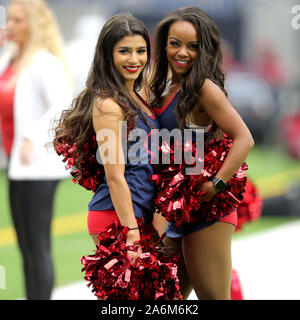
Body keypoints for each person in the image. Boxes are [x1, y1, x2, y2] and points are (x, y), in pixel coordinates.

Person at [150, 7, 254, 300]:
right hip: (174, 210)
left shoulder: (204, 88)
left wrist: (216, 184)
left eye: (192, 46)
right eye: (175, 43)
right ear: (163, 45)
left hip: (206, 210)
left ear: (203, 49)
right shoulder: (164, 87)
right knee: (166, 300)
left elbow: (244, 138)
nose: (182, 52)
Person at [54, 13, 160, 287]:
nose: (134, 59)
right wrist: (132, 233)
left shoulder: (136, 95)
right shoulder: (109, 105)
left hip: (140, 214)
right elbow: (115, 175)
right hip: (118, 219)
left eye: (140, 51)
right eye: (124, 51)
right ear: (108, 54)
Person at [0, 0, 72, 299]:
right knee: (25, 247)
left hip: (38, 166)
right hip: (16, 164)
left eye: (17, 20)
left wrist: (32, 135)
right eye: (9, 19)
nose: (9, 25)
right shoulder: (9, 59)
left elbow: (63, 105)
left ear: (34, 24)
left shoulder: (45, 62)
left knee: (37, 246)